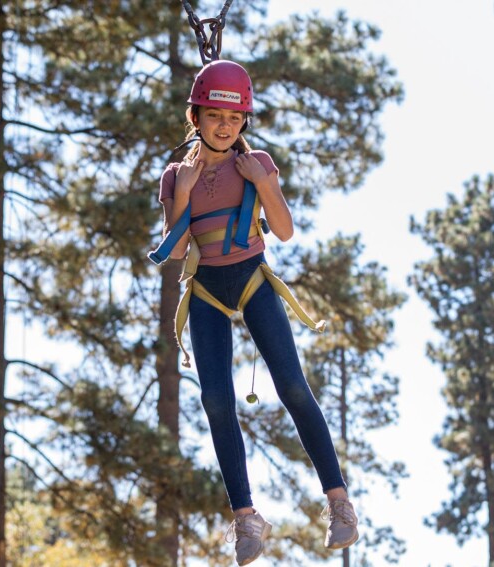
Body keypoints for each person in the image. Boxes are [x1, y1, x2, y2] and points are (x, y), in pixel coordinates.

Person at [150, 60, 359, 566]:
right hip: (206, 291)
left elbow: (283, 230)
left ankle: (339, 502)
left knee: (291, 386)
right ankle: (245, 516)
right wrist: (182, 191)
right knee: (216, 401)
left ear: (244, 121)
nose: (225, 127)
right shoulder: (177, 174)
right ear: (194, 117)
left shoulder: (259, 161)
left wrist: (260, 181)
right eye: (214, 117)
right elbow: (176, 251)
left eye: (235, 118)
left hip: (252, 281)